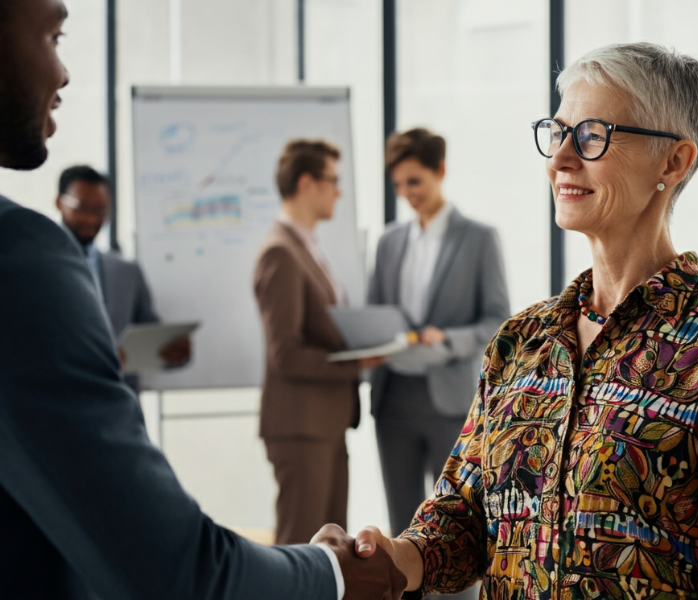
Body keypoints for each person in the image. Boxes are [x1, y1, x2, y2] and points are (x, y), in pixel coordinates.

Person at [355, 43, 698, 598]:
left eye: (592, 135)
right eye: (557, 131)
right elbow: (461, 520)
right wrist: (384, 556)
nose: (560, 158)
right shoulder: (522, 341)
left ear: (674, 161)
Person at [0, 1, 405, 598]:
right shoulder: (21, 259)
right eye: (54, 37)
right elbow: (178, 572)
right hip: (300, 421)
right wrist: (333, 574)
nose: (63, 73)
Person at [368, 128, 509, 600]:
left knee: (456, 526)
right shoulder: (389, 242)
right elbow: (375, 315)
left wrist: (447, 339)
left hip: (450, 398)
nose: (408, 195)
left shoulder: (479, 238)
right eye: (399, 186)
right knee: (404, 524)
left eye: (416, 183)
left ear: (440, 172)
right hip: (394, 398)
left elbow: (497, 319)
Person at [253, 139, 383, 546]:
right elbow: (286, 354)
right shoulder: (281, 252)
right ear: (307, 183)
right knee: (299, 547)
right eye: (332, 180)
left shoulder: (305, 246)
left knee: (328, 549)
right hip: (300, 425)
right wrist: (356, 364)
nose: (338, 190)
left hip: (323, 422)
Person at [55, 164, 190, 389]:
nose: (90, 220)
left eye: (100, 210)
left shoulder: (126, 272)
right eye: (82, 208)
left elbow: (149, 337)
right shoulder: (37, 265)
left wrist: (173, 352)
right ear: (59, 203)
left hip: (122, 406)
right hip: (61, 403)